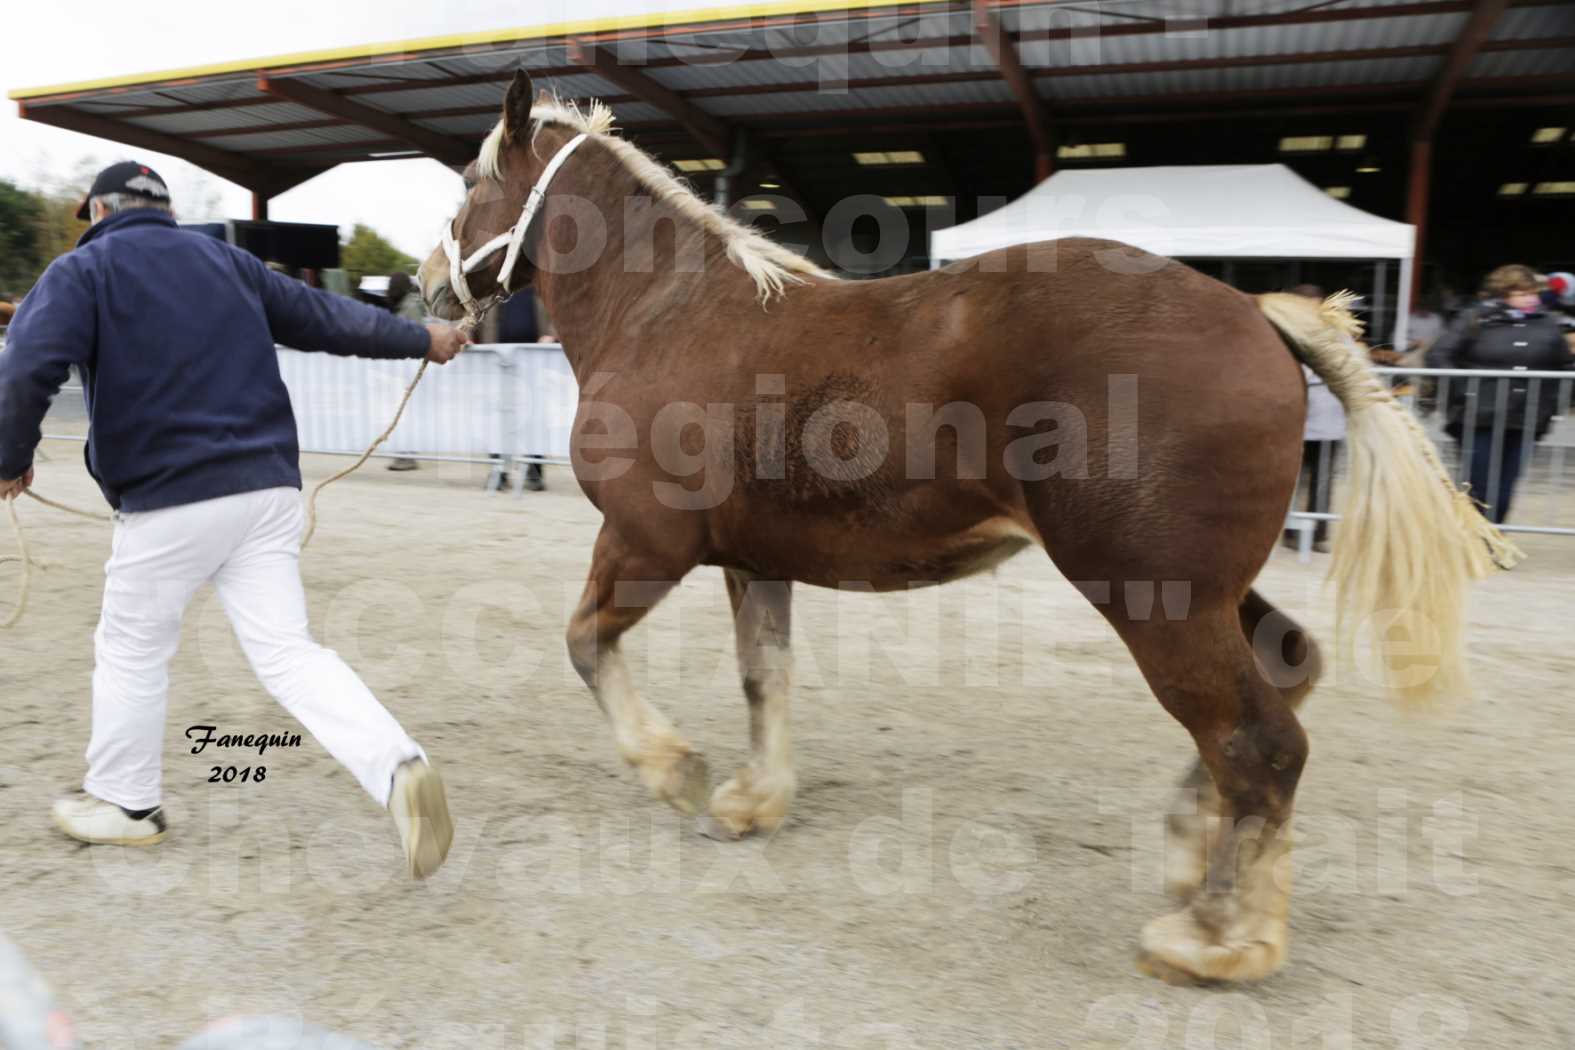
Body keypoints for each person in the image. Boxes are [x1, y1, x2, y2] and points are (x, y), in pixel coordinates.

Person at [0, 160, 470, 878]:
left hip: (169, 497)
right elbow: (328, 319)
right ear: (164, 209)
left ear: (96, 211)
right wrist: (424, 340)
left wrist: (10, 458)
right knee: (289, 652)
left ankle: (126, 803)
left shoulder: (82, 272)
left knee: (130, 645)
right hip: (267, 490)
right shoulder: (230, 263)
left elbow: (28, 364)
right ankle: (397, 764)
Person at [1426, 263, 1573, 524]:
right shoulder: (1475, 319)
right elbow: (1439, 354)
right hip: (1479, 416)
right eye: (1521, 293)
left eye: (1532, 292)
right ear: (1503, 293)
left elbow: (1564, 363)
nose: (1530, 298)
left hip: (1527, 416)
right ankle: (1473, 538)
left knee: (1507, 483)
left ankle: (1494, 537)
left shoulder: (1547, 323)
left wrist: (1551, 400)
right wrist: (1465, 390)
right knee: (1478, 482)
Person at [1282, 284, 1345, 553]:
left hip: (1326, 418)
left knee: (1321, 480)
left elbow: (1348, 363)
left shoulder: (1337, 331)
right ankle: (1288, 530)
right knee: (1288, 478)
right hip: (1295, 416)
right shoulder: (1286, 331)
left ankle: (1318, 534)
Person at [492, 288, 558, 491]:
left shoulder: (539, 285)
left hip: (533, 362)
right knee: (498, 418)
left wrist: (551, 335)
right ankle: (499, 472)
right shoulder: (494, 287)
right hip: (498, 363)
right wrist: (466, 335)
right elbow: (477, 314)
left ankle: (535, 471)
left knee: (534, 416)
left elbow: (559, 312)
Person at [383, 271, 427, 473]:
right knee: (402, 412)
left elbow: (417, 335)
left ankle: (407, 454)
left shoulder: (409, 306)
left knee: (406, 413)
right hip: (401, 370)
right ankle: (404, 452)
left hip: (408, 369)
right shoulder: (403, 305)